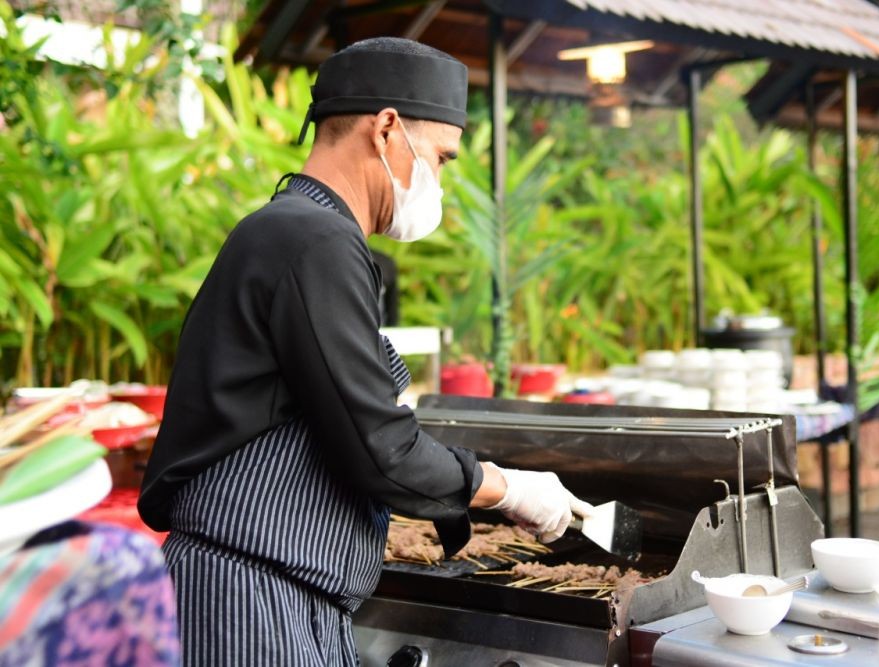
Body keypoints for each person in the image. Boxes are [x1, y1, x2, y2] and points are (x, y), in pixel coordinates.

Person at [138, 37, 592, 666]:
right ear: (386, 131)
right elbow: (379, 448)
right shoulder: (313, 240)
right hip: (247, 597)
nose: (439, 179)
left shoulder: (290, 231)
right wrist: (504, 488)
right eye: (440, 158)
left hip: (280, 596)